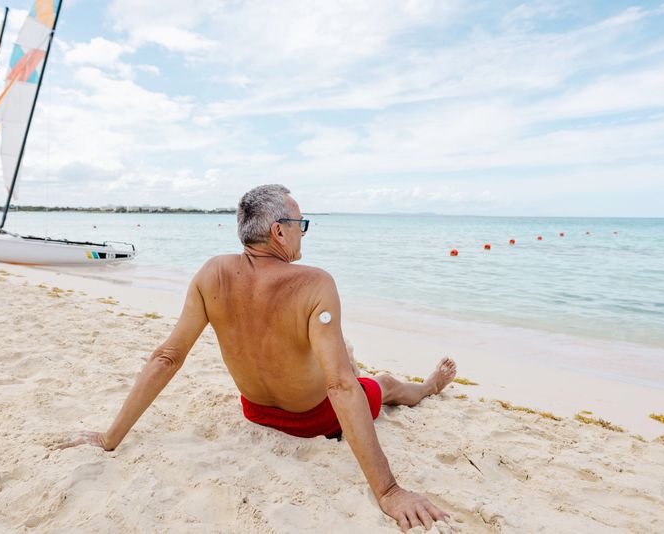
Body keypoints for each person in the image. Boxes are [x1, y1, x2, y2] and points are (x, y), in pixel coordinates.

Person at [59, 184, 455, 531]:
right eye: (301, 223)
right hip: (314, 419)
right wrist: (388, 491)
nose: (304, 232)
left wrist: (109, 438)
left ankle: (354, 358)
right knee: (381, 383)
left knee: (342, 360)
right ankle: (427, 386)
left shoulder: (211, 273)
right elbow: (339, 387)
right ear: (278, 230)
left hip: (256, 411)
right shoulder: (315, 282)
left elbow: (167, 357)